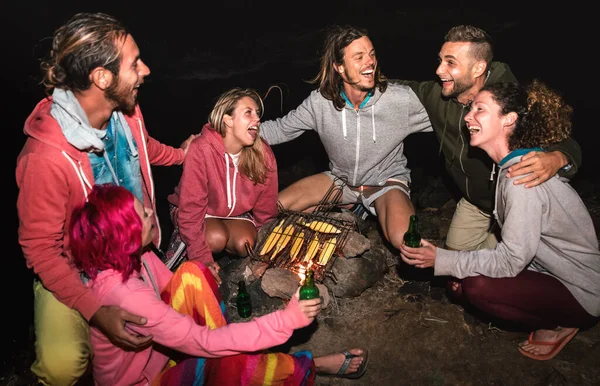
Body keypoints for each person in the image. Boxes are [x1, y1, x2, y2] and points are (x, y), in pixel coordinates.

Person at [15, 12, 197, 385]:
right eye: (134, 63)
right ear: (102, 77)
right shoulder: (45, 159)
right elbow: (41, 250)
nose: (145, 70)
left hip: (132, 247)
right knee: (61, 366)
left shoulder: (125, 112)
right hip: (75, 268)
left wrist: (182, 155)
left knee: (181, 315)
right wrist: (96, 311)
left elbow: (142, 148)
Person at [69, 183, 369, 385]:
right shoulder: (126, 296)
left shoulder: (136, 256)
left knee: (191, 273)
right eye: (142, 214)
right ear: (126, 234)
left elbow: (174, 290)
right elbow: (204, 342)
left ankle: (232, 345)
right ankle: (310, 366)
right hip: (145, 381)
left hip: (161, 354)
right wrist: (285, 319)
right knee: (231, 364)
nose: (151, 212)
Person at [399, 80, 600, 361]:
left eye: (480, 109)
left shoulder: (521, 179)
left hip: (582, 289)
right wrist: (451, 264)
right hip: (547, 270)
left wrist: (440, 259)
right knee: (458, 286)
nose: (468, 116)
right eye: (470, 109)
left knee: (477, 287)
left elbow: (510, 260)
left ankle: (562, 324)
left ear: (509, 120)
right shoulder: (507, 167)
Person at [394, 25, 582, 251]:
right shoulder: (438, 95)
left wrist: (559, 158)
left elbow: (563, 140)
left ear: (478, 68)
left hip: (513, 202)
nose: (438, 70)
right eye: (440, 60)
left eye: (450, 62)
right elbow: (401, 87)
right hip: (476, 203)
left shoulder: (511, 100)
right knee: (456, 256)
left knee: (503, 266)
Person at [259, 25, 433, 254]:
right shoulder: (320, 103)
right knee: (272, 208)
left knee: (406, 243)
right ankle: (350, 207)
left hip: (385, 184)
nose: (369, 62)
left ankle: (364, 209)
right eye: (359, 57)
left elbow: (446, 120)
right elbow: (280, 129)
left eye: (371, 54)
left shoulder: (400, 100)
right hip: (341, 181)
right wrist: (220, 133)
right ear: (339, 67)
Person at [165, 88, 279, 281]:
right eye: (248, 112)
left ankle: (228, 266)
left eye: (257, 113)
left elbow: (266, 210)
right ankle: (186, 267)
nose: (257, 119)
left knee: (247, 243)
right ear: (228, 120)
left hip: (235, 213)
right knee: (215, 238)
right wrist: (202, 260)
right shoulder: (201, 148)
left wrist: (265, 252)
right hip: (196, 210)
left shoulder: (263, 153)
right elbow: (191, 210)